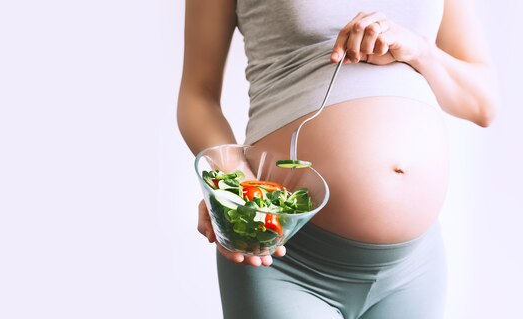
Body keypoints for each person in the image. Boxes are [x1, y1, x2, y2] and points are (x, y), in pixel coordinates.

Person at [177, 0, 497, 318]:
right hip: (285, 258)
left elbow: (482, 102)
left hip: (413, 268)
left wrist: (419, 51)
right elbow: (198, 95)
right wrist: (234, 187)